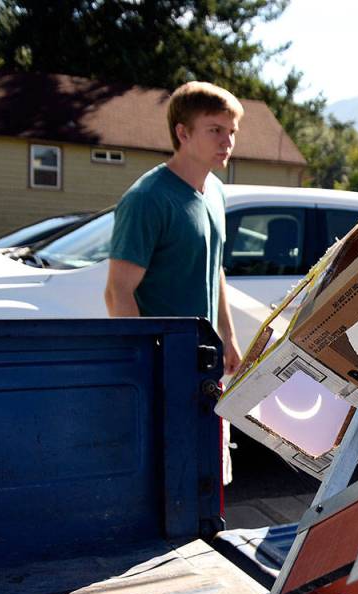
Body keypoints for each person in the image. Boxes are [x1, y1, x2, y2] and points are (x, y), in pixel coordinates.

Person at [104, 81, 243, 376]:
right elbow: (117, 293)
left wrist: (228, 337)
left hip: (203, 360)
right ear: (183, 133)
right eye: (215, 130)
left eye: (232, 132)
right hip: (160, 366)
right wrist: (142, 366)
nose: (227, 142)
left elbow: (212, 266)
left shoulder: (216, 191)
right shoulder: (147, 198)